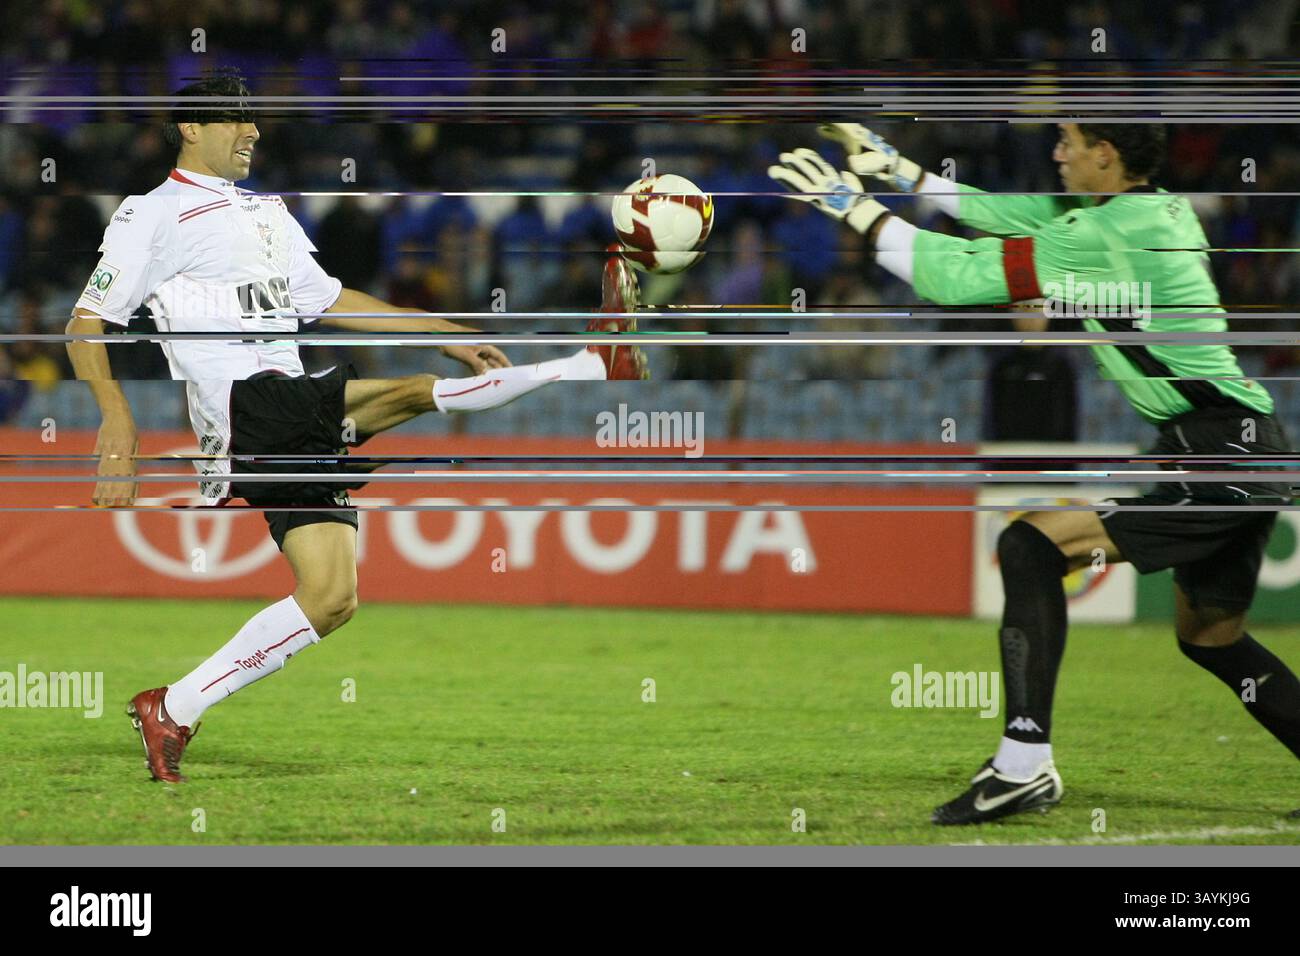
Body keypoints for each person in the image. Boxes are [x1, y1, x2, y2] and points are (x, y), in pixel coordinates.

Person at [66, 72, 646, 783]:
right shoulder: (150, 214)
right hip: (247, 404)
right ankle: (593, 361)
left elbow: (334, 298)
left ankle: (174, 707)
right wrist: (116, 417)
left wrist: (442, 330)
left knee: (332, 598)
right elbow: (86, 322)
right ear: (191, 126)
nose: (253, 131)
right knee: (408, 398)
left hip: (287, 414)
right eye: (236, 119)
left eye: (255, 121)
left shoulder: (267, 214)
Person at [770, 122, 1300, 825]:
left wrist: (852, 205)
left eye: (1068, 143)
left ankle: (1023, 764)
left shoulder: (1098, 236)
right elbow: (1008, 213)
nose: (1056, 154)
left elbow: (950, 275)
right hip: (1234, 445)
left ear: (1104, 156)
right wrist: (901, 172)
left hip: (1219, 454)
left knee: (1029, 546)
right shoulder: (1150, 208)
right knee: (1210, 637)